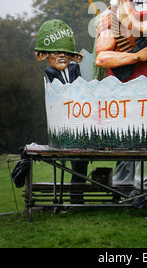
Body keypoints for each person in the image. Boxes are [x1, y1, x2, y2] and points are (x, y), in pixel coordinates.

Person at [34, 19, 88, 201]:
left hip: (79, 120)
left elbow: (81, 88)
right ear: (46, 56)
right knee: (71, 162)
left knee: (81, 164)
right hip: (63, 122)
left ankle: (77, 198)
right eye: (56, 53)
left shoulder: (75, 69)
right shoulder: (50, 73)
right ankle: (73, 198)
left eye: (65, 53)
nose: (61, 56)